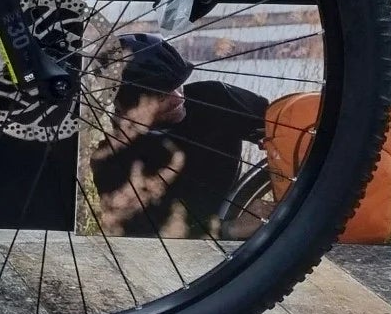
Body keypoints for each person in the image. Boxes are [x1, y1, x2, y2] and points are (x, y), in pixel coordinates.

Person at [90, 33, 268, 238]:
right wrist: (231, 228)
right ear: (124, 105)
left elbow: (284, 121)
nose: (178, 98)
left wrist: (278, 145)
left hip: (231, 213)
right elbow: (145, 238)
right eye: (161, 94)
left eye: (178, 84)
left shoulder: (214, 98)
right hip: (193, 249)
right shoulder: (112, 162)